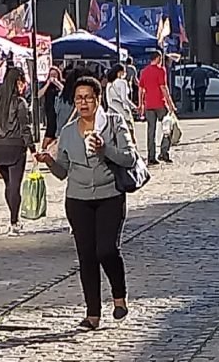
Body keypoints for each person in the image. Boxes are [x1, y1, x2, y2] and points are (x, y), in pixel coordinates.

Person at [35, 76, 134, 331]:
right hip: (78, 200)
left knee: (106, 250)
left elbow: (129, 158)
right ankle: (93, 314)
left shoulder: (113, 123)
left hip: (109, 195)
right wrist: (49, 161)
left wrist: (104, 150)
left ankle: (119, 295)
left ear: (98, 99)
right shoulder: (68, 132)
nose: (83, 102)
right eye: (79, 98)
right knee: (86, 256)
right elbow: (63, 172)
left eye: (88, 97)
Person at [0, 67, 35, 236]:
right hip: (15, 147)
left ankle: (13, 219)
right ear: (18, 82)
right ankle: (14, 221)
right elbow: (25, 128)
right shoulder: (19, 103)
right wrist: (32, 149)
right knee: (15, 186)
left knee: (8, 185)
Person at [137, 51, 175, 164]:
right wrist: (170, 103)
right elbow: (164, 88)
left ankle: (151, 157)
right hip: (160, 104)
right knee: (168, 127)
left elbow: (141, 89)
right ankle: (164, 152)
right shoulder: (160, 70)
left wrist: (141, 104)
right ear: (158, 58)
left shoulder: (144, 71)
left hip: (149, 104)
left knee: (151, 131)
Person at [105, 65, 137, 138]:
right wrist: (134, 107)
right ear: (119, 72)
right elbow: (124, 99)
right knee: (129, 130)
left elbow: (108, 100)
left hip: (111, 109)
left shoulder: (109, 84)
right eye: (124, 71)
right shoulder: (122, 82)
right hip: (122, 109)